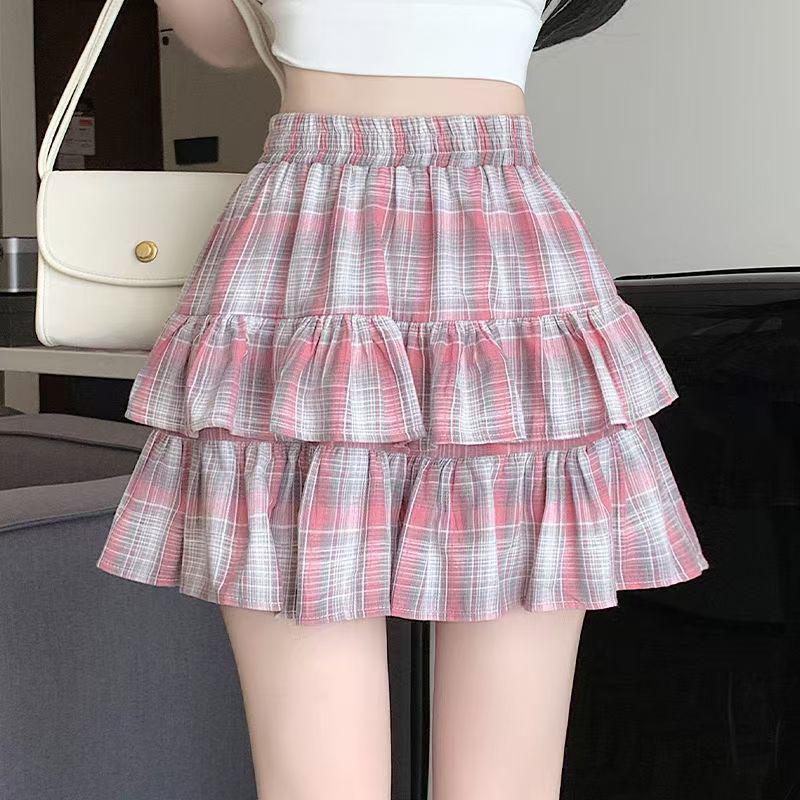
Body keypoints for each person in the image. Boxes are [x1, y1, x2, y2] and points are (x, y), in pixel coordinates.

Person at [96, 1, 710, 798]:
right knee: (507, 780)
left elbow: (222, 44)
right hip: (502, 249)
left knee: (317, 776)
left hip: (308, 246)